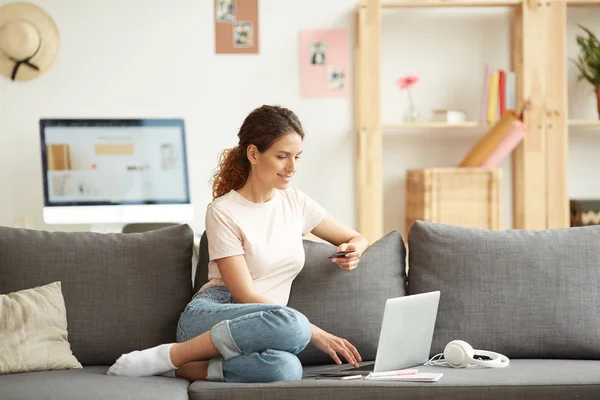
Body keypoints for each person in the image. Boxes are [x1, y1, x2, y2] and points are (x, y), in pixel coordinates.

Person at [107, 105, 369, 383]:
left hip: (266, 326)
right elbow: (243, 293)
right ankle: (171, 355)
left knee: (286, 369)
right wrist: (312, 331)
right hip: (212, 315)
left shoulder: (296, 203)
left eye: (297, 157)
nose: (292, 167)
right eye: (282, 157)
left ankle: (177, 370)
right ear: (254, 153)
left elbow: (355, 237)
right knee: (294, 325)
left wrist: (354, 251)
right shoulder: (223, 211)